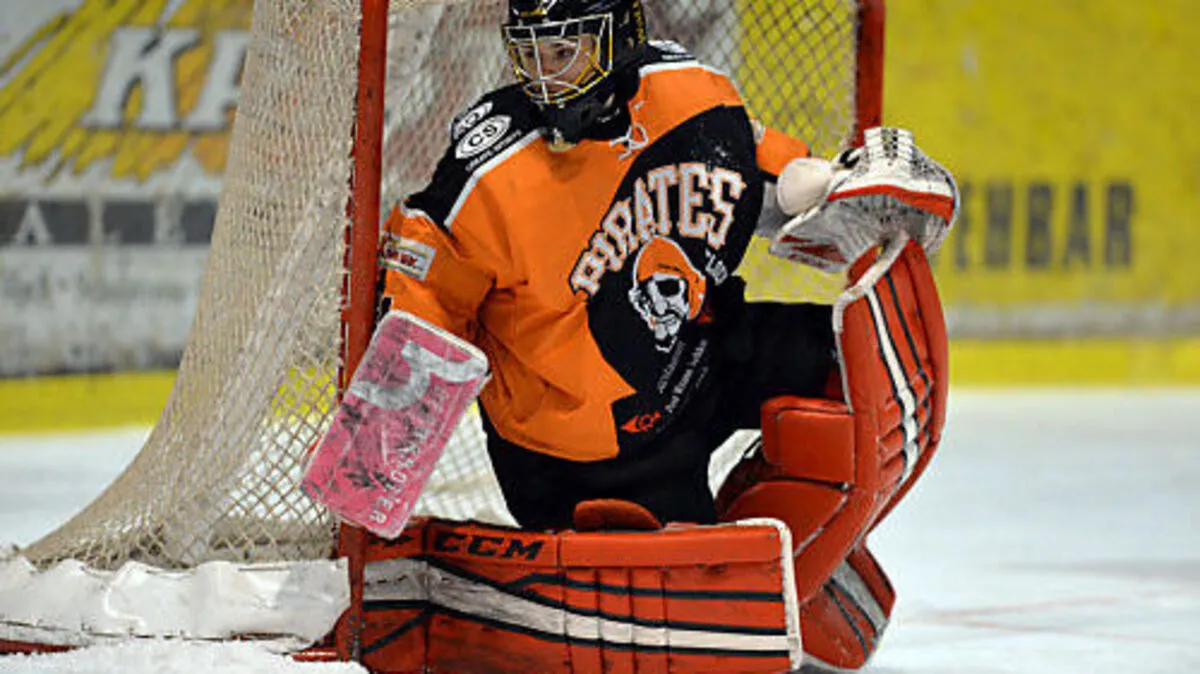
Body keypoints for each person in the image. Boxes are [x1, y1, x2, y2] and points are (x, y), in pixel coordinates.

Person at [370, 1, 956, 670]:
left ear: (620, 37)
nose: (543, 78)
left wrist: (835, 185)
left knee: (856, 363)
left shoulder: (690, 94)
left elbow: (763, 175)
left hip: (700, 354)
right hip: (587, 451)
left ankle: (808, 545)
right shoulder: (488, 172)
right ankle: (729, 558)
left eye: (563, 53)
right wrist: (376, 481)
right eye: (529, 54)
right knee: (695, 594)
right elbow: (426, 305)